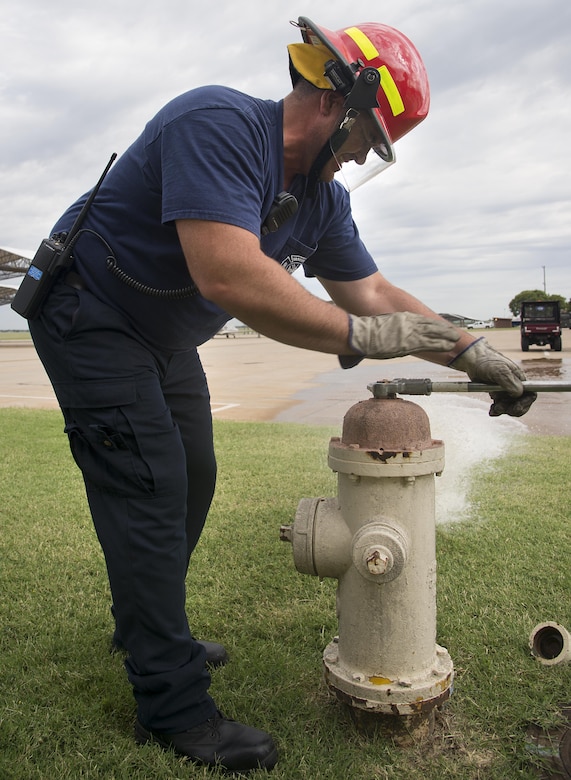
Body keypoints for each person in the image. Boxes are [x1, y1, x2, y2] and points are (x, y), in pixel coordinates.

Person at [24, 16, 536, 773]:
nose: (364, 155)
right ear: (341, 101)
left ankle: (146, 625)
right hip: (92, 316)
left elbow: (369, 289)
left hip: (159, 339)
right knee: (149, 485)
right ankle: (172, 708)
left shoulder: (321, 199)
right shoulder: (218, 123)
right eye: (371, 137)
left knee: (193, 476)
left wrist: (468, 351)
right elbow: (228, 274)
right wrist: (357, 339)